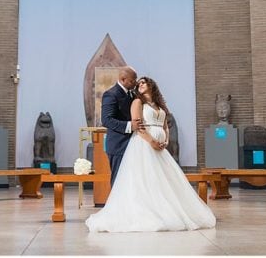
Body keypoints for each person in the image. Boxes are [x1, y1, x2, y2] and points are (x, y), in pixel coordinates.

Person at [86, 76, 216, 232]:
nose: (140, 84)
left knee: (164, 179)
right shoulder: (137, 103)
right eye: (138, 83)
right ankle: (148, 213)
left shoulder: (160, 105)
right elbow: (138, 125)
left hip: (160, 148)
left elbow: (165, 125)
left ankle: (168, 210)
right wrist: (152, 141)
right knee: (146, 178)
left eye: (143, 82)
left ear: (151, 85)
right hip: (143, 145)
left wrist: (166, 140)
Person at [99, 67, 139, 186]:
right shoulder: (111, 94)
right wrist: (129, 125)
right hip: (118, 145)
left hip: (131, 143)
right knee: (118, 180)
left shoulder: (131, 94)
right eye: (132, 81)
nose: (135, 83)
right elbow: (106, 120)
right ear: (123, 79)